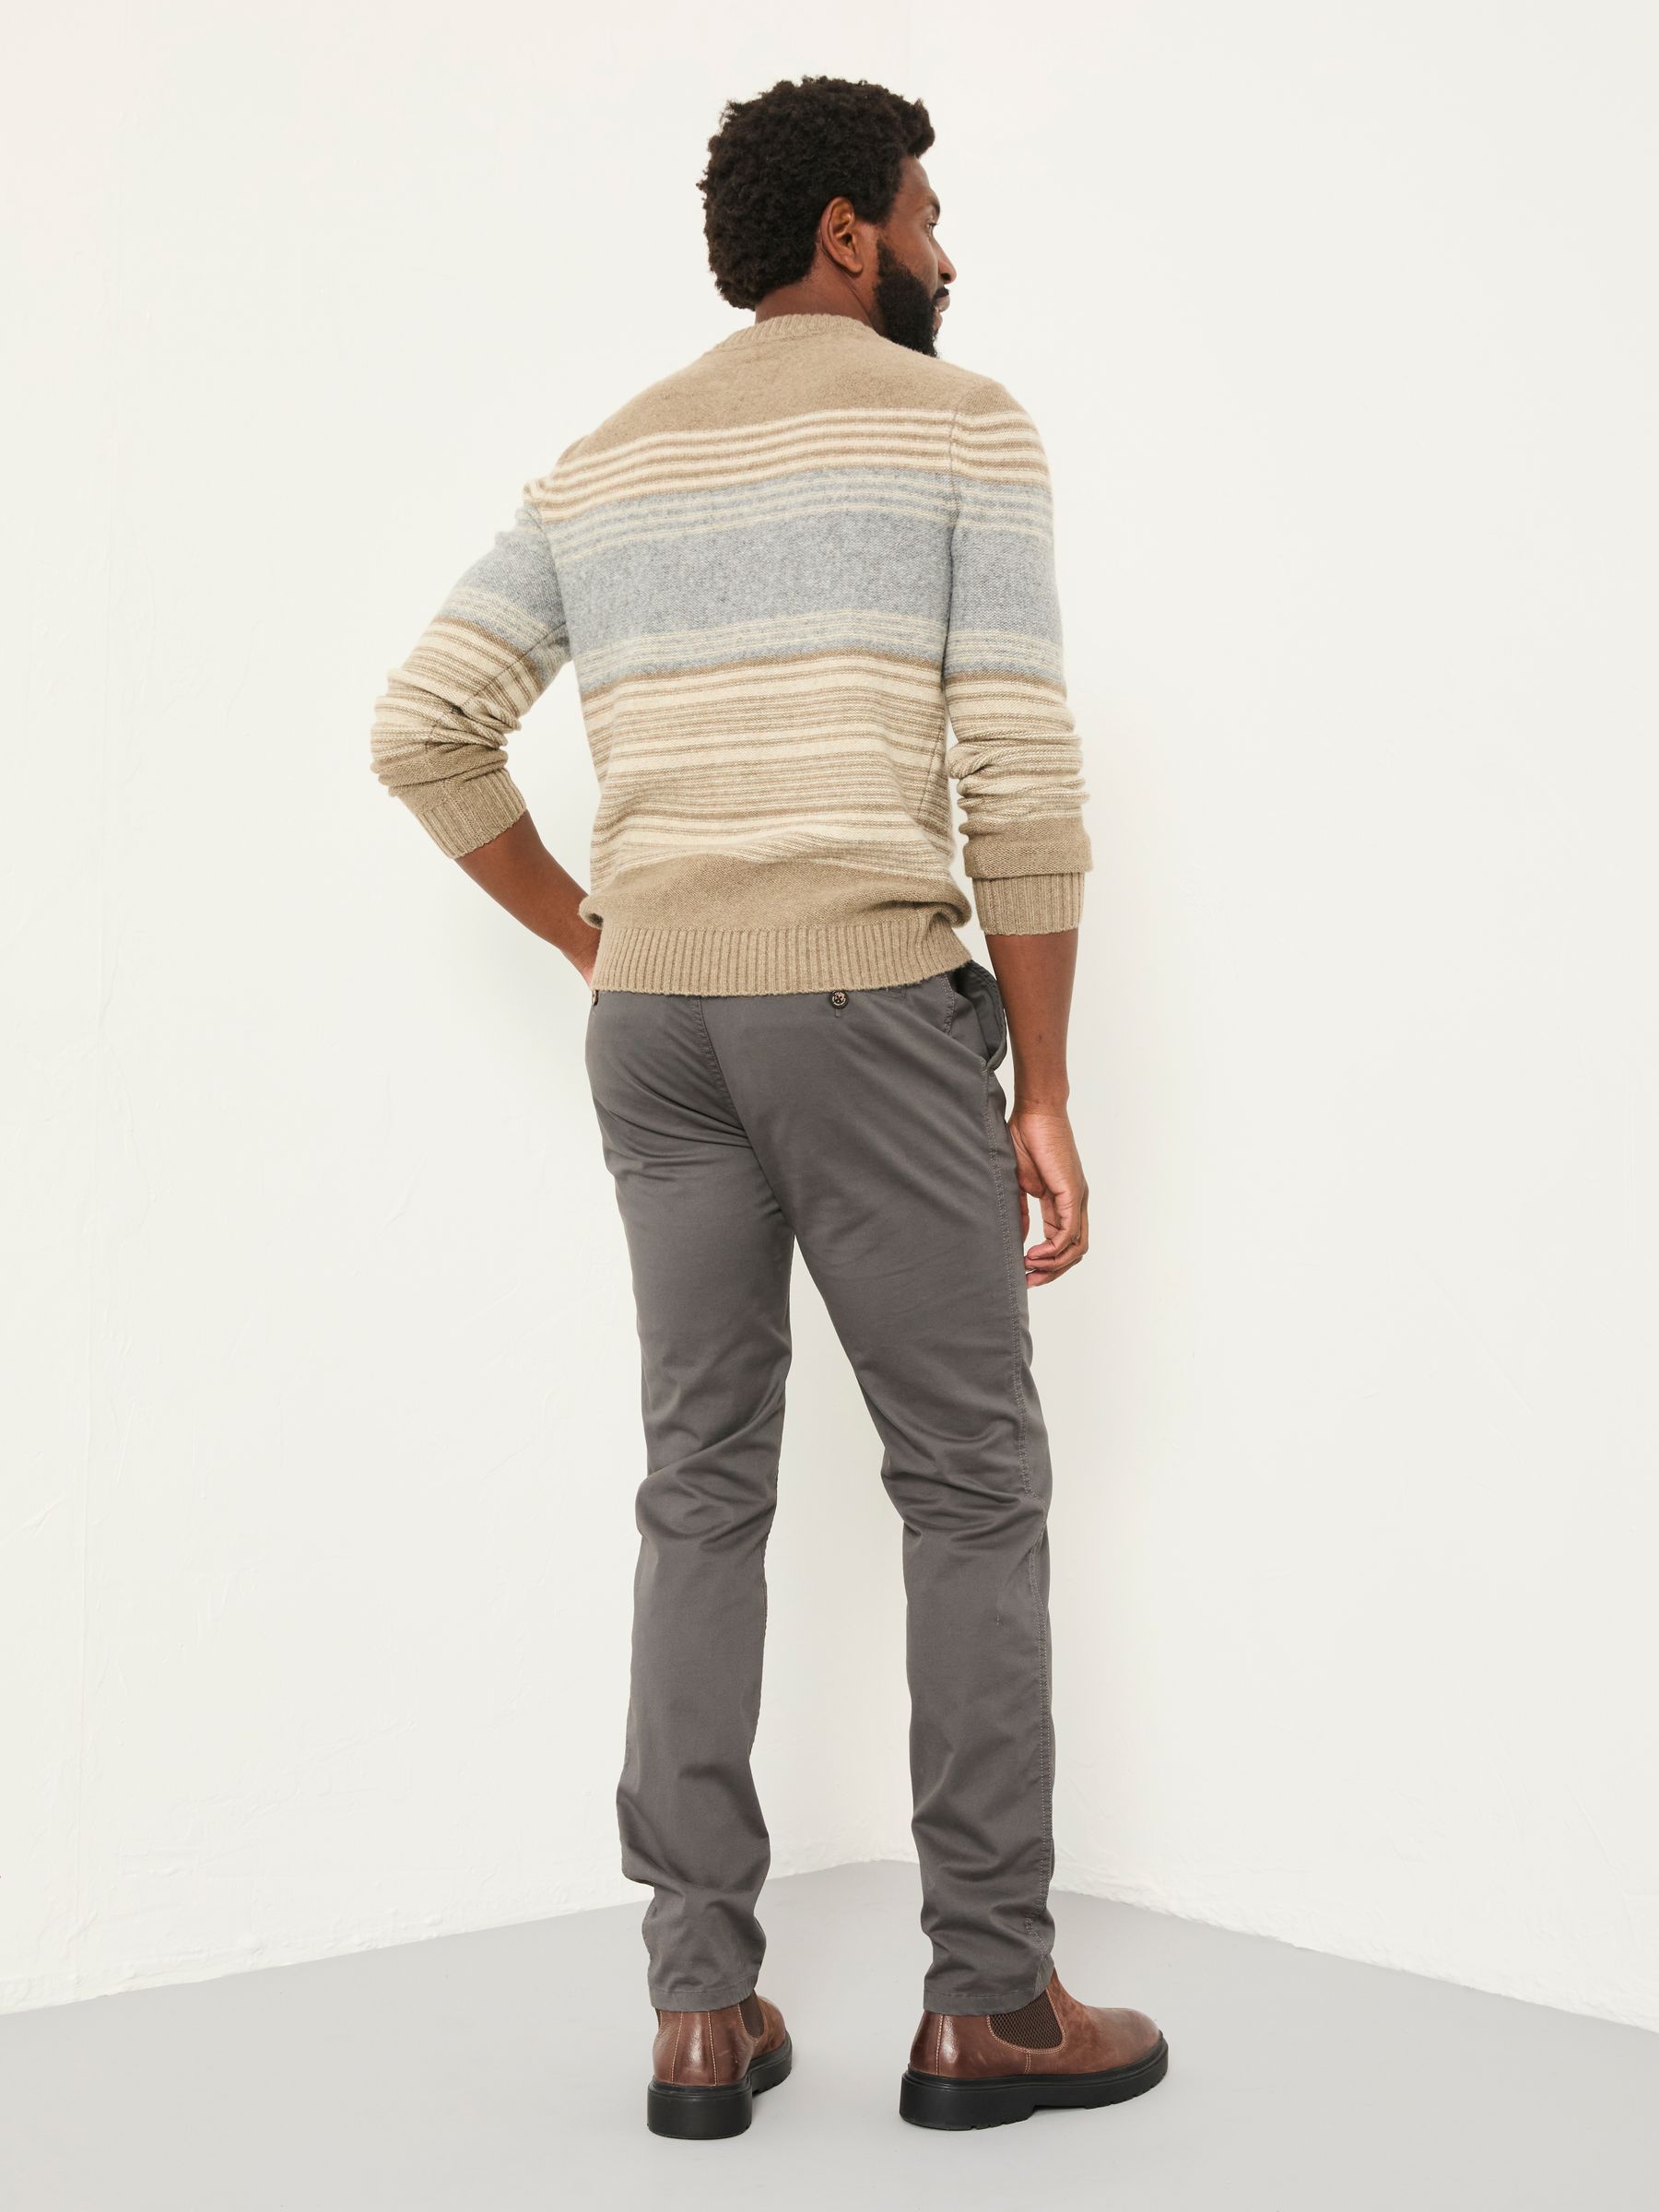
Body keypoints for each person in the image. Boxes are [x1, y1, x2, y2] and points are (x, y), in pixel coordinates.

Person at [369, 72, 1167, 2139]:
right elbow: (1020, 771)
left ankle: (699, 2013)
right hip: (861, 1006)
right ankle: (990, 2003)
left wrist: (596, 933)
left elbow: (423, 725)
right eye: (927, 213)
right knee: (969, 1480)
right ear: (847, 233)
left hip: (659, 1027)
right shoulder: (961, 425)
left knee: (698, 1485)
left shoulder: (604, 460)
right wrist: (1047, 1087)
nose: (946, 250)